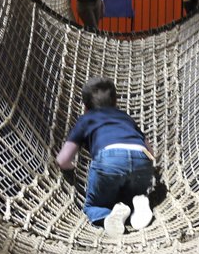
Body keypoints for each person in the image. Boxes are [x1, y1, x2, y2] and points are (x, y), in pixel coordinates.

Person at [55, 76, 156, 236]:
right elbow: (150, 150)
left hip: (109, 159)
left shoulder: (86, 119)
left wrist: (69, 168)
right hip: (141, 158)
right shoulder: (125, 117)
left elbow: (63, 159)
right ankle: (139, 203)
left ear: (85, 108)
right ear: (115, 102)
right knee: (129, 193)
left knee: (95, 206)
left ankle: (107, 215)